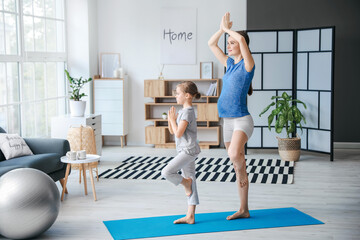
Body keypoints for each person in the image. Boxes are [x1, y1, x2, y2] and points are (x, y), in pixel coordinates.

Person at [208, 12, 255, 220]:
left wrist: (229, 30)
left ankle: (242, 168)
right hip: (227, 120)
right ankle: (243, 209)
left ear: (241, 45)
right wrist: (221, 29)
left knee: (235, 155)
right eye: (228, 42)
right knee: (238, 167)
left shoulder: (247, 65)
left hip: (242, 120)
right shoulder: (228, 64)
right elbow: (211, 43)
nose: (228, 44)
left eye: (232, 42)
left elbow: (243, 39)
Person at [161, 81, 201, 224]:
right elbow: (173, 130)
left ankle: (185, 183)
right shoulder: (184, 112)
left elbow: (178, 133)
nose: (176, 96)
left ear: (188, 96)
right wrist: (169, 120)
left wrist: (173, 120)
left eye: (178, 94)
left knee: (166, 172)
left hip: (188, 150)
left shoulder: (188, 112)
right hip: (185, 150)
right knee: (192, 179)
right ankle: (190, 216)